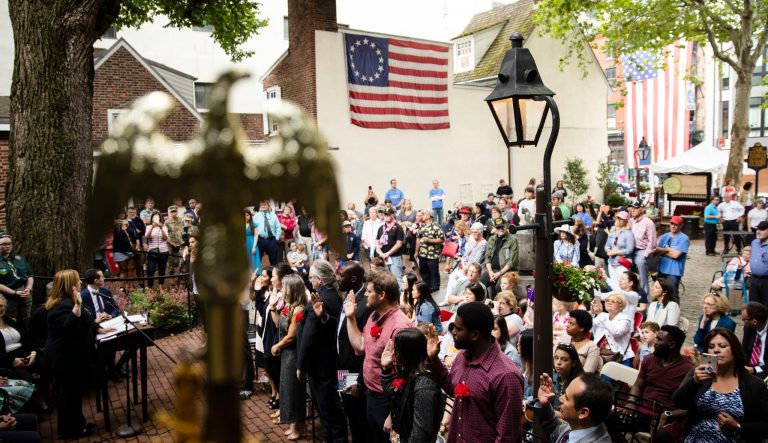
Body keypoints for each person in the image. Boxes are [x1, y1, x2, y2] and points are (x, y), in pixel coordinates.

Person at [426, 302, 524, 443]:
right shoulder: (462, 356)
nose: (453, 332)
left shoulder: (506, 376)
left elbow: (507, 436)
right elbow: (452, 387)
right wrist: (434, 359)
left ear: (474, 334)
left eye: (458, 329)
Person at [344, 270, 412, 443]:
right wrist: (350, 317)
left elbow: (406, 376)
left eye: (369, 291)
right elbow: (360, 347)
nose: (365, 294)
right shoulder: (374, 316)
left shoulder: (400, 326)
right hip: (371, 394)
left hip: (387, 401)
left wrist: (393, 414)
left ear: (382, 295)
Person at [673, 328, 768, 442]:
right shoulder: (700, 374)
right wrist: (694, 382)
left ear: (735, 349)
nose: (716, 350)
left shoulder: (754, 384)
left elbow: (765, 425)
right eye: (711, 347)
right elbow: (678, 402)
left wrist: (738, 427)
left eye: (722, 346)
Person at [297, 260, 348, 442]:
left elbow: (309, 337)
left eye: (311, 277)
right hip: (334, 362)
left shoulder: (320, 300)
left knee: (329, 412)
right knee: (334, 409)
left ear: (320, 279)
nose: (310, 281)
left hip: (322, 366)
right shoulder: (335, 295)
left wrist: (301, 366)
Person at [44, 270, 97, 438]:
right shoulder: (61, 306)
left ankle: (78, 423)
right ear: (70, 285)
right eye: (77, 281)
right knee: (68, 395)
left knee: (75, 392)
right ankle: (69, 430)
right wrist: (77, 306)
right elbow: (68, 328)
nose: (80, 283)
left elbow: (86, 320)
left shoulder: (70, 301)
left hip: (74, 356)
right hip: (64, 358)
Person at [381, 328, 443, 443]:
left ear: (406, 353)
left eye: (397, 349)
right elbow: (392, 395)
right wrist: (386, 369)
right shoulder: (408, 374)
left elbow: (421, 433)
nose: (395, 354)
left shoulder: (424, 386)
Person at [336, 262, 373, 443]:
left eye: (341, 275)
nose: (338, 278)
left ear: (353, 279)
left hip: (354, 370)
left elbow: (366, 347)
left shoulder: (366, 304)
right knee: (349, 411)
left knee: (358, 416)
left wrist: (359, 380)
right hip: (342, 366)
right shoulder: (347, 296)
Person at [269, 274, 306, 440]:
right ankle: (292, 424)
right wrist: (273, 308)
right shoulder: (288, 305)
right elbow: (279, 325)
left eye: (284, 287)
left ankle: (298, 426)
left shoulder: (299, 309)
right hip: (286, 354)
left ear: (292, 289)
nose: (282, 290)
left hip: (293, 353)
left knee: (294, 390)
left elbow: (292, 336)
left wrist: (277, 345)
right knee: (287, 389)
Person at [534, 372, 613, 442]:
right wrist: (545, 404)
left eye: (567, 398)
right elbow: (555, 431)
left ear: (583, 413)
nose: (560, 398)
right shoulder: (581, 425)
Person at [0, 233, 33, 327]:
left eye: (9, 243)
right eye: (4, 244)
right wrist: (13, 293)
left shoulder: (19, 258)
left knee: (27, 318)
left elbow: (29, 275)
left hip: (25, 293)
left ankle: (27, 339)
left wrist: (28, 288)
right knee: (10, 320)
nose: (8, 246)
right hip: (6, 296)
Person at [591, 293, 635, 364]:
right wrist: (592, 312)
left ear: (621, 306)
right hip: (600, 354)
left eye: (613, 301)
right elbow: (590, 330)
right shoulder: (603, 316)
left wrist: (600, 314)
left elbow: (616, 332)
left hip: (619, 358)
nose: (609, 303)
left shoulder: (625, 319)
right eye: (607, 300)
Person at [480, 218, 519, 298]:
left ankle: (502, 305)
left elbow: (512, 261)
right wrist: (490, 271)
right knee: (480, 283)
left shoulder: (512, 239)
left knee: (500, 286)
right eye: (498, 227)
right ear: (494, 228)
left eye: (502, 227)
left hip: (507, 270)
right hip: (493, 270)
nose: (501, 229)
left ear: (506, 226)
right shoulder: (492, 239)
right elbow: (487, 257)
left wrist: (499, 273)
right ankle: (486, 304)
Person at [654, 216, 690, 302]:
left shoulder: (684, 238)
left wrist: (663, 252)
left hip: (674, 271)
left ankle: (674, 313)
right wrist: (668, 250)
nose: (673, 226)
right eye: (672, 224)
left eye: (676, 224)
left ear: (681, 226)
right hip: (661, 269)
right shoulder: (665, 236)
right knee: (658, 293)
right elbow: (656, 250)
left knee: (673, 294)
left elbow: (676, 255)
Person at [629, 202, 656, 295]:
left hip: (642, 250)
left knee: (641, 264)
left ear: (642, 209)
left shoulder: (648, 222)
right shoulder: (632, 221)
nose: (633, 209)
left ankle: (644, 296)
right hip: (631, 249)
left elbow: (652, 242)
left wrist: (645, 255)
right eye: (632, 208)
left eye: (636, 208)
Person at [416, 210, 445, 294]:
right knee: (424, 272)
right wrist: (416, 251)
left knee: (433, 272)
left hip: (432, 255)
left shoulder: (436, 227)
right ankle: (426, 287)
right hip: (422, 254)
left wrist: (429, 240)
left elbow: (441, 239)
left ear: (429, 216)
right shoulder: (422, 227)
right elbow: (418, 239)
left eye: (424, 214)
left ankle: (435, 288)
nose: (422, 215)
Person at [376, 209, 405, 286]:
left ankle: (401, 297)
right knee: (386, 280)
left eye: (389, 214)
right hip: (383, 257)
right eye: (385, 215)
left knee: (397, 279)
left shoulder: (398, 228)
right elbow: (377, 242)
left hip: (394, 257)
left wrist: (387, 253)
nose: (387, 216)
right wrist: (381, 253)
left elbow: (399, 244)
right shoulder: (381, 228)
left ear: (393, 215)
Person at [605, 210, 635, 285]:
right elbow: (607, 246)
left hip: (622, 262)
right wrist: (608, 250)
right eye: (618, 218)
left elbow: (630, 249)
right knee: (614, 284)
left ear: (626, 221)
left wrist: (615, 252)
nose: (619, 220)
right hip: (611, 262)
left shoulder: (628, 233)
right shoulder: (612, 233)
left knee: (623, 285)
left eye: (621, 219)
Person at [551, 343, 584, 410]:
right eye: (556, 358)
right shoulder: (551, 375)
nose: (558, 362)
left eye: (564, 359)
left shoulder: (579, 383)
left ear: (573, 363)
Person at [741, 301, 768, 375]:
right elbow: (744, 351)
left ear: (754, 322)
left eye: (744, 319)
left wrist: (754, 369)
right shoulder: (748, 329)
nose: (742, 321)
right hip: (748, 369)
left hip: (764, 371)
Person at [145, 211, 169, 288]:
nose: (156, 219)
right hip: (152, 251)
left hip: (163, 251)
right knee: (150, 270)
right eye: (154, 217)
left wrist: (161, 228)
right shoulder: (148, 227)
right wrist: (152, 227)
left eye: (157, 217)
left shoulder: (164, 227)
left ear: (160, 218)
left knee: (162, 270)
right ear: (152, 218)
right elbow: (147, 237)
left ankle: (160, 287)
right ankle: (150, 287)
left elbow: (165, 238)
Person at [255, 201, 282, 266]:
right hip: (260, 240)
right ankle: (258, 274)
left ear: (268, 206)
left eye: (264, 204)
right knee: (258, 259)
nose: (263, 206)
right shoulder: (256, 215)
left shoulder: (273, 215)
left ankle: (273, 273)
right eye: (261, 205)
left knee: (274, 259)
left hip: (272, 240)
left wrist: (277, 238)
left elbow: (278, 227)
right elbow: (252, 227)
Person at [749, 221, 768, 306]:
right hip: (754, 279)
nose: (758, 231)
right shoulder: (754, 242)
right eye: (758, 229)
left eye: (762, 229)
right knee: (754, 307)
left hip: (766, 281)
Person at [164, 205, 185, 275]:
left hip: (180, 243)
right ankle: (171, 279)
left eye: (175, 211)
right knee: (170, 262)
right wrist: (171, 242)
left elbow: (183, 231)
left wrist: (182, 242)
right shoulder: (167, 222)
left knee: (182, 260)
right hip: (171, 244)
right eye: (172, 212)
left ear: (177, 212)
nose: (174, 213)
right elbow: (165, 234)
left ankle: (182, 276)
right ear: (170, 213)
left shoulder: (181, 221)